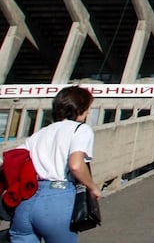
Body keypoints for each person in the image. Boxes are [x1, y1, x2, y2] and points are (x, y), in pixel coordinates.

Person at [10, 86, 101, 243]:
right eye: (88, 108)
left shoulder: (39, 134)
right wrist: (92, 187)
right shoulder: (81, 129)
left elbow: (14, 161)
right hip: (57, 199)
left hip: (27, 201)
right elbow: (76, 165)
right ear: (80, 109)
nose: (88, 112)